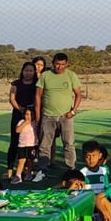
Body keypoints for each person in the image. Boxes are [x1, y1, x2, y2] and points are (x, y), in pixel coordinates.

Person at [34, 52, 83, 180]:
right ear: (53, 63)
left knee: (69, 143)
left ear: (66, 64)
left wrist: (73, 111)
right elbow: (38, 96)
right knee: (44, 145)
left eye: (62, 64)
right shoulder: (45, 76)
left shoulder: (71, 75)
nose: (59, 67)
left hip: (65, 116)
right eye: (57, 64)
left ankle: (71, 169)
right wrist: (38, 116)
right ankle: (42, 170)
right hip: (48, 116)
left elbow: (78, 94)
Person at [6, 62, 37, 180]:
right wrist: (21, 109)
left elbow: (39, 97)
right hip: (18, 114)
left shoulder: (37, 84)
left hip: (32, 116)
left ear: (34, 72)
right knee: (15, 142)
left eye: (30, 71)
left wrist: (30, 111)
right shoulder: (16, 84)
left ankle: (28, 170)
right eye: (26, 70)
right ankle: (9, 169)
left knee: (31, 142)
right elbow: (12, 98)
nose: (28, 73)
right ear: (22, 71)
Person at [11, 108, 39, 184]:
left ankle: (29, 173)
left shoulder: (35, 123)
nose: (28, 116)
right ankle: (18, 176)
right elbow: (17, 130)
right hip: (22, 145)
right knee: (21, 161)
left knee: (30, 160)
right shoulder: (21, 122)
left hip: (32, 145)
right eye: (27, 114)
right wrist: (25, 123)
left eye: (31, 115)